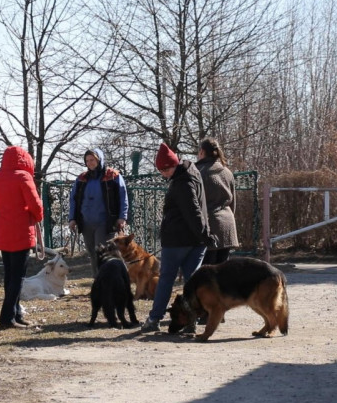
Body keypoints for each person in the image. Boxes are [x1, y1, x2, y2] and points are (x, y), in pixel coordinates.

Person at [141, 142, 213, 332]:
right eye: (161, 170)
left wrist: (204, 233)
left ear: (173, 165)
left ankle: (154, 319)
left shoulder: (181, 183)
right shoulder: (194, 173)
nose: (163, 174)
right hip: (196, 241)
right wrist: (204, 235)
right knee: (192, 282)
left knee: (166, 279)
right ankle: (193, 320)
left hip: (178, 240)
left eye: (165, 170)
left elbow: (192, 211)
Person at [0, 146, 44, 329]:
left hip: (2, 230)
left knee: (9, 275)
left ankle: (16, 313)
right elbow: (34, 203)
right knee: (18, 277)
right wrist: (38, 216)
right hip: (20, 231)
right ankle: (7, 318)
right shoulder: (24, 177)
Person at [68, 148, 129, 276]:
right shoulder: (81, 179)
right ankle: (98, 282)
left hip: (105, 222)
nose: (90, 163)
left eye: (92, 160)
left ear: (99, 160)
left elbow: (123, 197)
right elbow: (73, 199)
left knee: (103, 253)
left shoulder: (113, 176)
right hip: (86, 223)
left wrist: (122, 217)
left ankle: (108, 282)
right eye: (87, 161)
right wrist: (72, 218)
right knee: (92, 254)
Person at [196, 138, 239, 265]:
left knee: (206, 273)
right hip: (227, 224)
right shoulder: (227, 172)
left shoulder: (198, 172)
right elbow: (233, 203)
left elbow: (195, 203)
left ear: (202, 152)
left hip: (208, 226)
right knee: (223, 271)